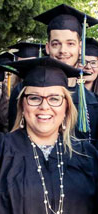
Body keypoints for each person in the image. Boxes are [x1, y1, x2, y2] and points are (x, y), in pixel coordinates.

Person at [0, 57, 98, 214]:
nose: (44, 106)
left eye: (54, 99)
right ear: (22, 104)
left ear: (66, 107)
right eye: (34, 98)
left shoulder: (87, 155)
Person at [34, 4, 98, 146]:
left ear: (80, 47)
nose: (63, 50)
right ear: (47, 47)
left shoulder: (93, 103)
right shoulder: (25, 92)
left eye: (70, 43)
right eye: (56, 44)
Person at [7, 42, 45, 130]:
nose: (28, 67)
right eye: (23, 63)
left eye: (32, 62)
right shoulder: (17, 89)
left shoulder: (47, 86)